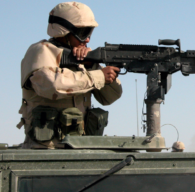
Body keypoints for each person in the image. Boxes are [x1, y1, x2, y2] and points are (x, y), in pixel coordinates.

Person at [17, 2, 122, 149]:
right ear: (63, 31)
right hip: (44, 150)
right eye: (83, 33)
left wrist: (92, 66)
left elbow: (110, 97)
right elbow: (53, 85)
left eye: (89, 32)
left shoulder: (83, 61)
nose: (87, 40)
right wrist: (97, 76)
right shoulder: (40, 52)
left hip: (80, 149)